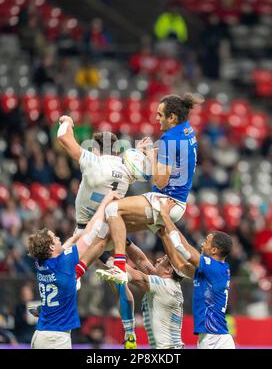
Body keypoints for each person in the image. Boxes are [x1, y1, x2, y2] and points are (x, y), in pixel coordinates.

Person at [96, 93, 203, 284]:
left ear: (172, 117)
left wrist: (150, 154)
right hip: (175, 203)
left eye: (160, 115)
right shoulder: (187, 130)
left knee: (112, 210)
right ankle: (153, 280)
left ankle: (119, 267)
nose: (156, 118)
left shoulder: (169, 138)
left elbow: (161, 181)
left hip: (164, 201)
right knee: (112, 230)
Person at [56, 116, 139, 348]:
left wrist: (67, 120)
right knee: (122, 283)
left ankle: (51, 311)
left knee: (64, 271)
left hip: (87, 231)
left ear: (95, 148)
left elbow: (63, 137)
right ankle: (130, 333)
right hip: (113, 229)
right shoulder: (126, 169)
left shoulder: (92, 161)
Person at [28, 191, 118, 349]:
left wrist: (77, 235)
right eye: (54, 238)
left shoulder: (40, 262)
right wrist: (105, 202)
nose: (58, 238)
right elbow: (93, 230)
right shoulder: (64, 263)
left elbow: (66, 246)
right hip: (55, 339)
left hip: (41, 335)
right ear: (50, 247)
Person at [157, 198, 235, 349]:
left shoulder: (217, 268)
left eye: (206, 241)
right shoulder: (209, 272)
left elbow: (183, 248)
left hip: (216, 339)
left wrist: (166, 217)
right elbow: (178, 265)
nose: (201, 244)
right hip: (209, 337)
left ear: (214, 250)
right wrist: (163, 235)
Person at [100, 238, 185, 349]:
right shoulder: (168, 285)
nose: (158, 259)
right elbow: (141, 260)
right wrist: (121, 237)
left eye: (163, 260)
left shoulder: (165, 286)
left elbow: (134, 275)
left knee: (119, 278)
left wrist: (101, 253)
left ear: (168, 271)